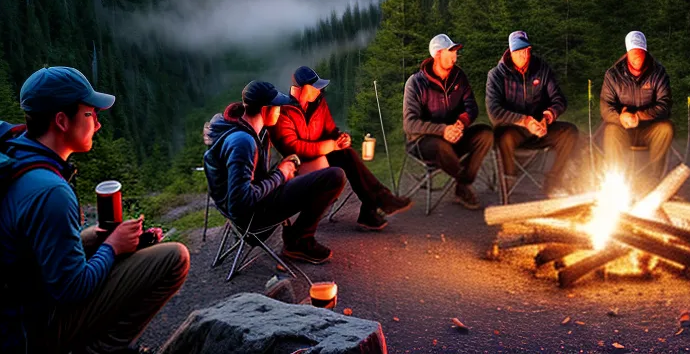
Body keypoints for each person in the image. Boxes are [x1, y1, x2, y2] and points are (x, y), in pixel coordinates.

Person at [0, 66, 190, 353]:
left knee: (103, 241)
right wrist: (112, 247)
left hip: (12, 309)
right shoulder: (50, 192)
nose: (97, 124)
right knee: (174, 258)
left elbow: (39, 247)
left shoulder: (15, 155)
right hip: (31, 331)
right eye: (90, 114)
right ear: (62, 121)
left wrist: (104, 239)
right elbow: (72, 290)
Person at [203, 79, 345, 264]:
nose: (280, 111)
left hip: (249, 209)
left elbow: (250, 180)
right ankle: (298, 242)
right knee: (333, 177)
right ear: (265, 110)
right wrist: (280, 174)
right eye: (277, 107)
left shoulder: (250, 131)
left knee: (310, 173)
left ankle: (297, 238)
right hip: (251, 219)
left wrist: (281, 171)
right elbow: (240, 204)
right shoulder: (243, 142)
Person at [268, 64, 411, 230]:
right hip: (298, 164)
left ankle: (374, 205)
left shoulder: (318, 104)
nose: (319, 91)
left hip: (321, 155)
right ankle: (375, 206)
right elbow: (293, 147)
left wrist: (341, 139)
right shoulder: (284, 111)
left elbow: (330, 131)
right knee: (343, 156)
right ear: (300, 88)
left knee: (346, 153)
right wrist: (330, 146)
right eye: (315, 88)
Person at [402, 33, 493, 210]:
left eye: (455, 52)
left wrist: (461, 123)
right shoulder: (416, 83)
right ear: (437, 55)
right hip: (423, 141)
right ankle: (464, 183)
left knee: (485, 134)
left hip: (455, 135)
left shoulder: (459, 77)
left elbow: (471, 107)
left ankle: (461, 184)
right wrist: (443, 130)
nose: (455, 57)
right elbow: (410, 124)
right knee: (439, 146)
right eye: (450, 52)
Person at [486, 30, 578, 196]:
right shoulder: (497, 75)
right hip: (515, 130)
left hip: (540, 126)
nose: (524, 55)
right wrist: (525, 121)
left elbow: (558, 99)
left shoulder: (541, 69)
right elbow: (494, 112)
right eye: (519, 51)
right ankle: (508, 184)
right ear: (511, 52)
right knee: (503, 137)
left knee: (569, 132)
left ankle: (553, 181)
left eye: (526, 50)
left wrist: (547, 116)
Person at [600, 30, 674, 185]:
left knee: (666, 128)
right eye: (633, 51)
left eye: (640, 51)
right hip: (622, 127)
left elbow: (665, 104)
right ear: (627, 52)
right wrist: (620, 117)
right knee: (610, 131)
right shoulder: (613, 75)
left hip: (649, 127)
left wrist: (639, 116)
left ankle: (654, 180)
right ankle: (616, 180)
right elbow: (606, 107)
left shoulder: (658, 73)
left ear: (645, 51)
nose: (637, 56)